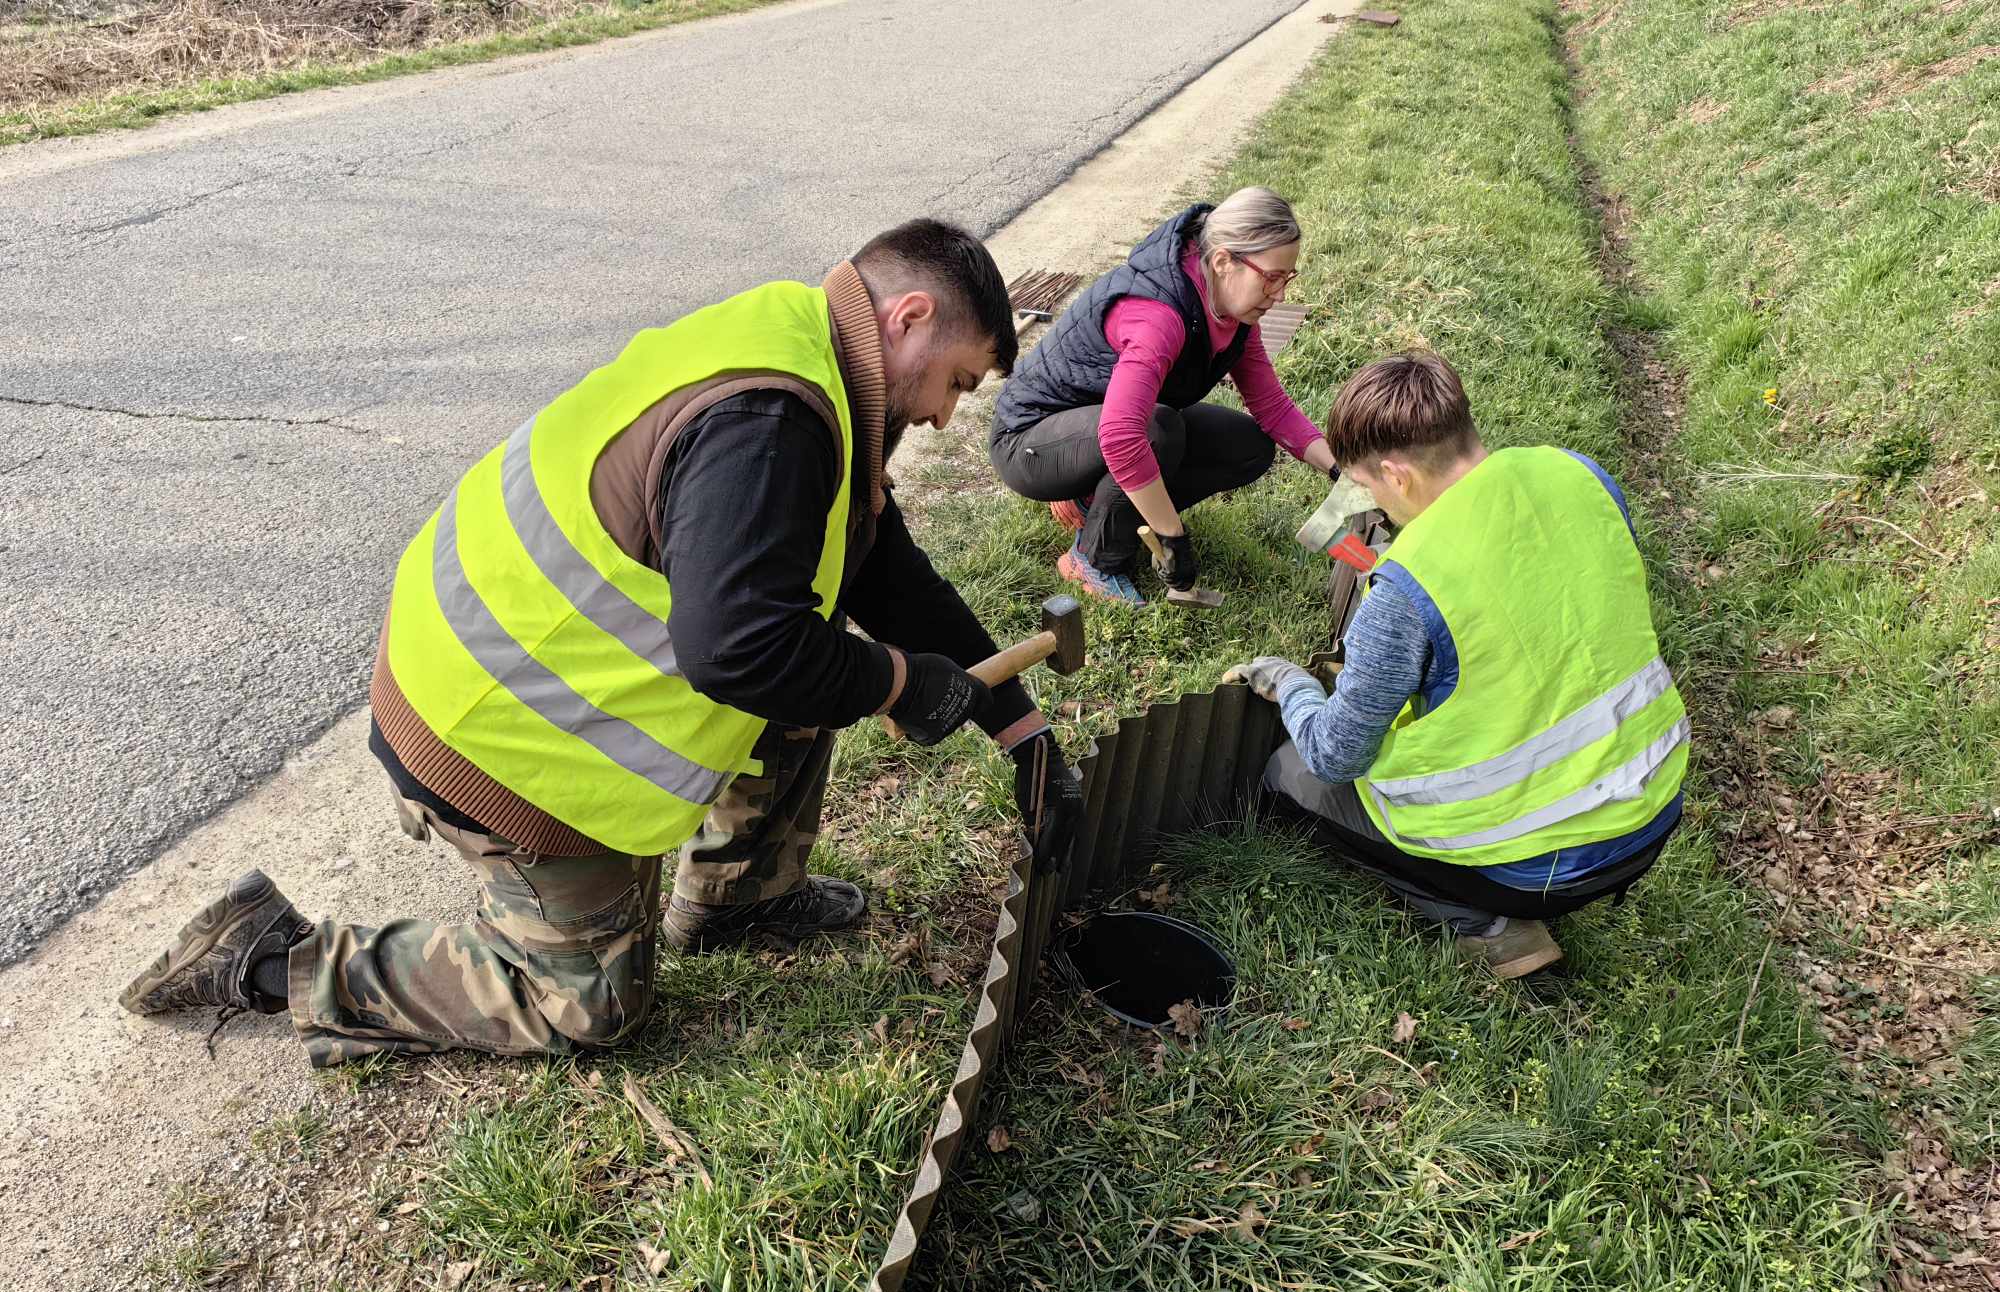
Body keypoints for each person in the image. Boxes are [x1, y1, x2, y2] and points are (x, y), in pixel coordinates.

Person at [117, 220, 1086, 1067]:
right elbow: (740, 652)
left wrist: (1020, 731)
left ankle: (740, 896)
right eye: (954, 382)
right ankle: (275, 958)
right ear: (907, 317)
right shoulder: (773, 422)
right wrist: (897, 683)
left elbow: (885, 577)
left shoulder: (803, 351)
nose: (942, 413)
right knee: (588, 1007)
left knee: (812, 641)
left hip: (499, 670)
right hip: (487, 734)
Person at [1226, 351, 1687, 978]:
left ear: (1397, 475)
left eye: (1368, 486)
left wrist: (1291, 683)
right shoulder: (1578, 475)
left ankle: (1491, 927)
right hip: (1654, 802)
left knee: (1292, 775)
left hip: (1544, 867)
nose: (1373, 502)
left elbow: (1335, 755)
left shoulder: (1407, 585)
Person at [988, 187, 1338, 605]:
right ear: (1223, 261)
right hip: (1030, 439)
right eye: (1272, 278)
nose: (1280, 295)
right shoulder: (1158, 317)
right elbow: (1122, 436)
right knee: (1158, 431)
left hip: (1095, 427)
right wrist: (1172, 536)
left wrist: (1340, 469)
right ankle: (1094, 559)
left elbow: (1272, 407)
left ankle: (1096, 504)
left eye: (1287, 278)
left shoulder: (1233, 314)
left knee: (1248, 447)